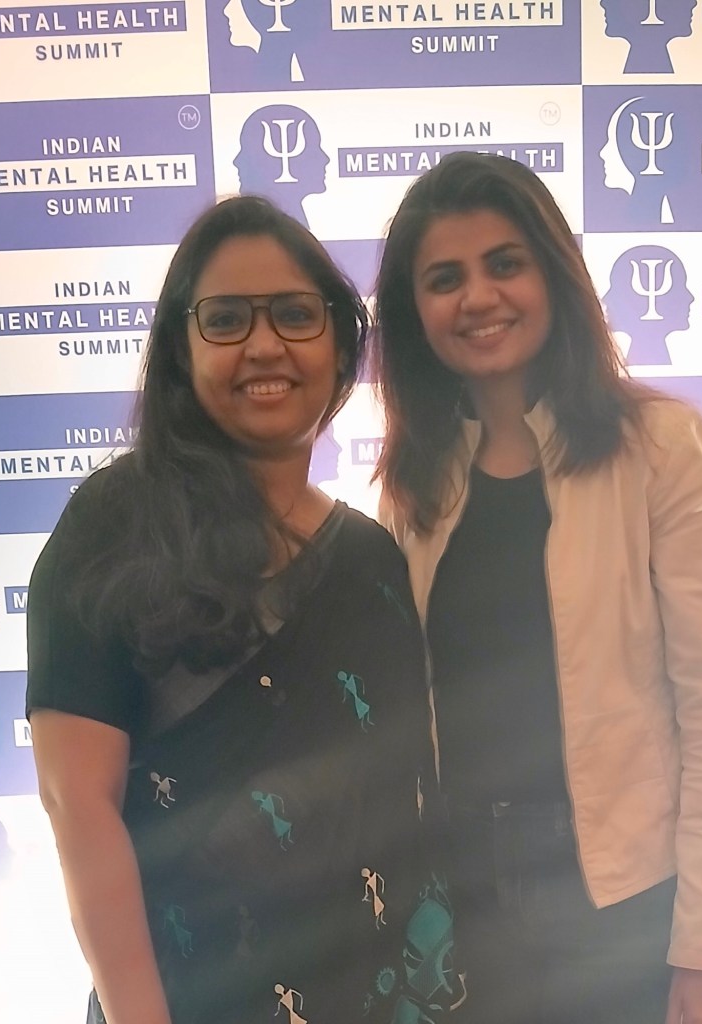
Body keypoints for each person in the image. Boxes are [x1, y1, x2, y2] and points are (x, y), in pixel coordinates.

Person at [27, 196, 462, 1024]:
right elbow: (78, 805)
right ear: (182, 354)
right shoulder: (116, 528)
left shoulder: (371, 560)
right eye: (225, 319)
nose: (265, 345)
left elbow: (405, 814)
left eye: (297, 315)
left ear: (340, 348)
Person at [373, 152, 702, 1024]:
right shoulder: (414, 480)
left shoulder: (659, 445)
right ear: (414, 312)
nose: (477, 297)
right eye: (444, 278)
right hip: (464, 898)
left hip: (624, 901)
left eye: (504, 263)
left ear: (553, 274)